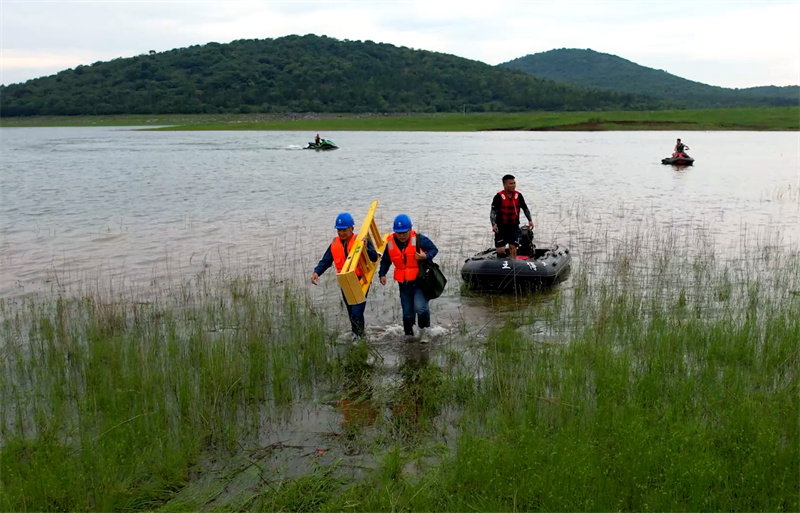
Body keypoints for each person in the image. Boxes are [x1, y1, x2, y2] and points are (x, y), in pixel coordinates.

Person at [311, 212, 378, 339]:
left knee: (357, 312)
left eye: (344, 230)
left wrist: (366, 248)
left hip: (360, 280)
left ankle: (359, 339)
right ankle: (357, 336)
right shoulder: (334, 244)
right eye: (339, 230)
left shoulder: (360, 240)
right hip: (345, 282)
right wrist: (316, 272)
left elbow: (374, 258)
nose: (341, 233)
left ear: (352, 228)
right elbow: (326, 261)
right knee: (351, 312)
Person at [378, 214, 439, 340]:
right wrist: (382, 274)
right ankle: (409, 337)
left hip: (419, 282)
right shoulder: (390, 244)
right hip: (404, 285)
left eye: (404, 232)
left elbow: (434, 249)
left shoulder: (419, 239)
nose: (401, 235)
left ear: (410, 229)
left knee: (421, 309)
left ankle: (424, 333)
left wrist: (425, 256)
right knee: (408, 315)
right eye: (398, 233)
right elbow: (385, 260)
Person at [490, 174, 534, 259]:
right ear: (504, 185)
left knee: (513, 246)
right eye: (511, 183)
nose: (513, 185)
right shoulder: (498, 197)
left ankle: (513, 264)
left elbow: (525, 208)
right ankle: (501, 264)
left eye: (514, 183)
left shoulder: (519, 195)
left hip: (513, 226)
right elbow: (493, 212)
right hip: (501, 227)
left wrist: (530, 220)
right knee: (501, 250)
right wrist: (493, 224)